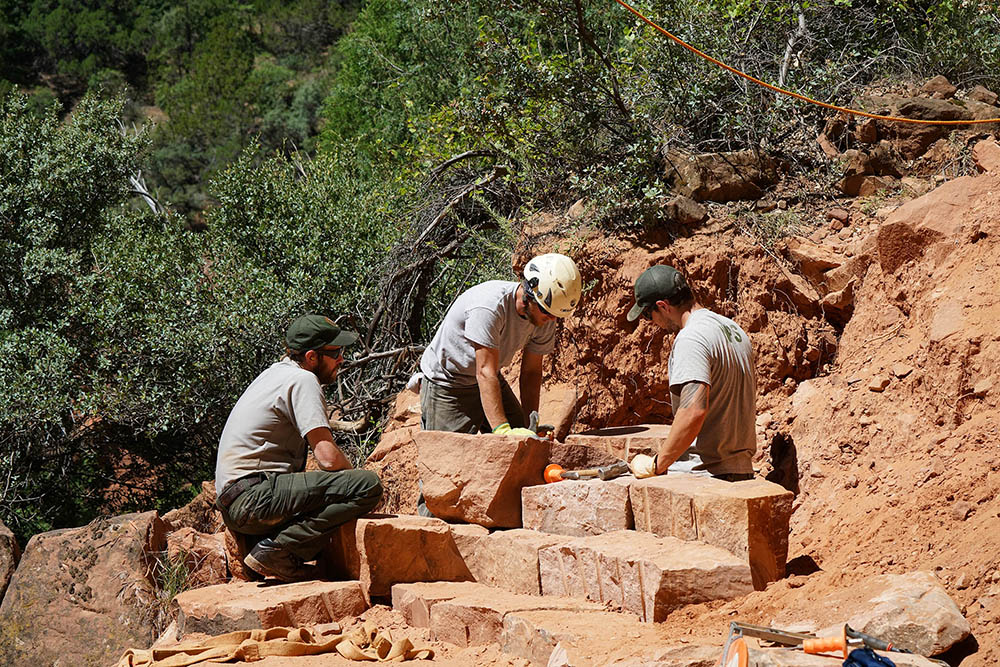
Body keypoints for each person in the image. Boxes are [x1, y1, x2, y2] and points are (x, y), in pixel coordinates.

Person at [214, 314, 383, 582]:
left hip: (238, 500)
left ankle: (270, 550)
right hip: (254, 496)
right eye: (336, 352)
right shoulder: (303, 380)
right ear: (312, 357)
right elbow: (327, 458)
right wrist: (352, 476)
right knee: (367, 485)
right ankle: (277, 551)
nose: (342, 358)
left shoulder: (273, 375)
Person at [418, 253, 582, 436]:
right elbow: (484, 371)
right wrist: (502, 431)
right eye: (547, 311)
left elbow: (531, 372)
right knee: (447, 459)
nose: (551, 319)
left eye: (556, 315)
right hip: (450, 381)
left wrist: (530, 425)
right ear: (529, 295)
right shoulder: (489, 307)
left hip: (490, 376)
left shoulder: (545, 318)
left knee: (523, 444)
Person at [626, 265, 756, 481]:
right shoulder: (733, 329)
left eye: (649, 315)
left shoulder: (691, 338)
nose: (652, 323)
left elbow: (693, 411)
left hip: (705, 474)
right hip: (740, 469)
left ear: (662, 306)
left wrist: (657, 464)